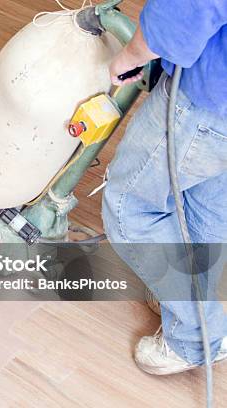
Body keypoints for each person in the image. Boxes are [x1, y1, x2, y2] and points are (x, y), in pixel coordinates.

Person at [103, 0, 227, 375]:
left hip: (209, 98)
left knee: (128, 207)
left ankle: (194, 337)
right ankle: (190, 298)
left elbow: (189, 8)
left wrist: (131, 54)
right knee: (205, 202)